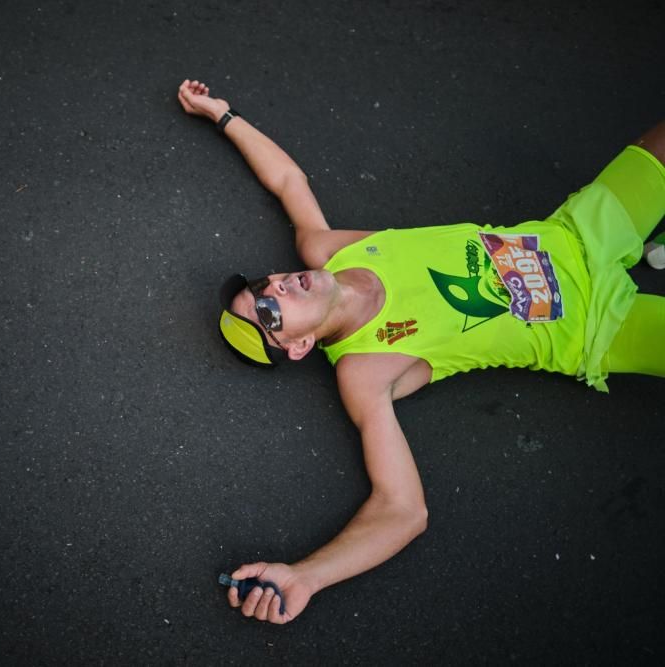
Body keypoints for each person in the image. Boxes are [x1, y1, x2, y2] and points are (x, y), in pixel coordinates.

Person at [177, 78, 665, 625]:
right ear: (298, 346)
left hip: (576, 233)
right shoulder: (364, 371)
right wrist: (308, 575)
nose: (276, 288)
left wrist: (222, 115)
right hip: (600, 328)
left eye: (263, 284)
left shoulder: (330, 250)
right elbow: (402, 510)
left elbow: (288, 179)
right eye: (268, 312)